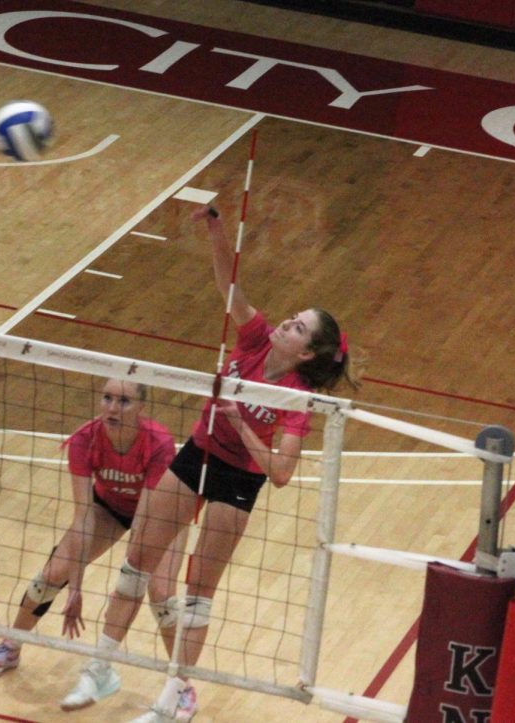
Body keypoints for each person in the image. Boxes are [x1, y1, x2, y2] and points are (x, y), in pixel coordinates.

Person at [77, 205, 358, 723]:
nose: (286, 323)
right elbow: (229, 284)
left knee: (196, 592)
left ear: (305, 353)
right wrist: (215, 229)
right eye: (292, 318)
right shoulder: (254, 340)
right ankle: (101, 665)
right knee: (137, 559)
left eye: (297, 327)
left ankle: (177, 696)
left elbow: (280, 472)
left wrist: (241, 419)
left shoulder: (296, 398)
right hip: (195, 456)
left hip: (239, 481)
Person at [0, 378, 186, 709]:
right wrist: (75, 589)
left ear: (141, 408)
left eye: (124, 401)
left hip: (162, 514)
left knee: (162, 595)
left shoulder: (158, 442)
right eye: (108, 398)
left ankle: (182, 687)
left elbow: (145, 520)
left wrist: (130, 579)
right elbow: (83, 514)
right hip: (108, 508)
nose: (113, 408)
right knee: (53, 574)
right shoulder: (85, 438)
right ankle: (11, 645)